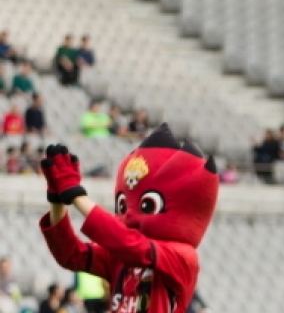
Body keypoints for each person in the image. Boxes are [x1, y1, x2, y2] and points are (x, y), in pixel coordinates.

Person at [39, 125, 219, 313]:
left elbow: (131, 244)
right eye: (123, 206)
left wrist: (76, 195)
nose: (129, 215)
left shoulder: (182, 257)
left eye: (146, 205)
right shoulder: (120, 259)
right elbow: (71, 255)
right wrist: (57, 201)